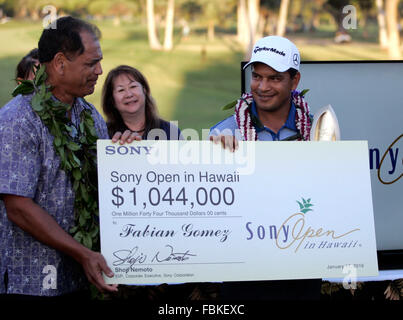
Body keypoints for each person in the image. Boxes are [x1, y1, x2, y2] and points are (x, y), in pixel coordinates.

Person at [0, 16, 137, 300]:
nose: (100, 70)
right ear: (60, 63)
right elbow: (18, 206)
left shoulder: (88, 115)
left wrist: (124, 158)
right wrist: (83, 253)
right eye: (90, 63)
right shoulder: (18, 119)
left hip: (79, 279)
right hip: (31, 282)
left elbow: (101, 186)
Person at [209, 36, 322, 300]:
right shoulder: (225, 132)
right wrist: (214, 157)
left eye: (274, 78)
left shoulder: (317, 131)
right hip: (244, 271)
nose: (262, 86)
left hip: (301, 268)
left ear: (295, 81)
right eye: (257, 77)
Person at [102, 65, 181, 140]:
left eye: (133, 86)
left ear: (144, 90)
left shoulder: (170, 132)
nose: (129, 94)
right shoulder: (103, 135)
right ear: (112, 100)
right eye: (121, 90)